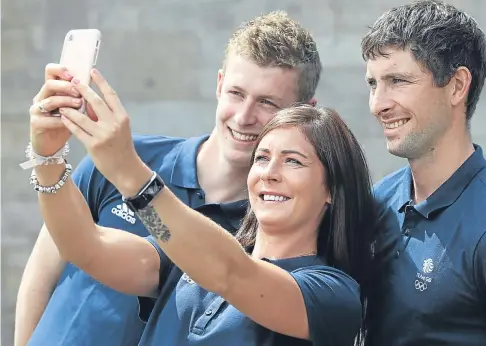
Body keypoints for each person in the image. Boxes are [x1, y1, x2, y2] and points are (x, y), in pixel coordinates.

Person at [16, 11, 323, 346]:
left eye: (267, 102)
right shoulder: (123, 157)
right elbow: (46, 269)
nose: (245, 116)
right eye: (236, 93)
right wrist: (47, 156)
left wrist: (124, 170)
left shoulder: (271, 229)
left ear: (302, 112)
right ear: (219, 84)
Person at [29, 71, 382, 346]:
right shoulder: (190, 258)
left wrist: (127, 169)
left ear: (332, 191)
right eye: (262, 158)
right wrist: (48, 156)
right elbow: (83, 247)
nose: (269, 174)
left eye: (293, 161)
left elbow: (231, 274)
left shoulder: (332, 293)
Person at [362, 1, 486, 345]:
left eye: (397, 81)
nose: (378, 103)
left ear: (456, 86)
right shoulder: (380, 199)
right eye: (373, 83)